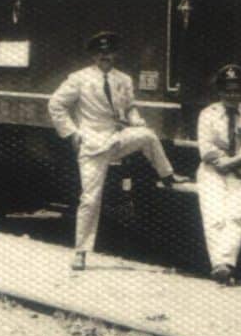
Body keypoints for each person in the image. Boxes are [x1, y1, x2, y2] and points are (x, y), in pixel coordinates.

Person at [46, 31, 178, 271]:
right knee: (90, 198)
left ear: (115, 55)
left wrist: (137, 121)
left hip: (117, 138)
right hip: (93, 144)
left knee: (147, 135)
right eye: (100, 53)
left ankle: (167, 174)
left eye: (109, 53)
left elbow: (129, 109)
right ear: (94, 56)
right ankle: (81, 252)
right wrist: (72, 133)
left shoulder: (124, 80)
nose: (104, 57)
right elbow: (55, 104)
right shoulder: (79, 78)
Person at [194, 63, 241, 285]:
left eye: (236, 90)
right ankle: (218, 264)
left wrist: (231, 163)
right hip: (212, 172)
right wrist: (222, 163)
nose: (232, 95)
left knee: (236, 216)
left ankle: (228, 264)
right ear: (220, 92)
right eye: (227, 90)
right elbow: (206, 148)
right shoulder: (208, 114)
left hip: (239, 172)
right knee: (214, 217)